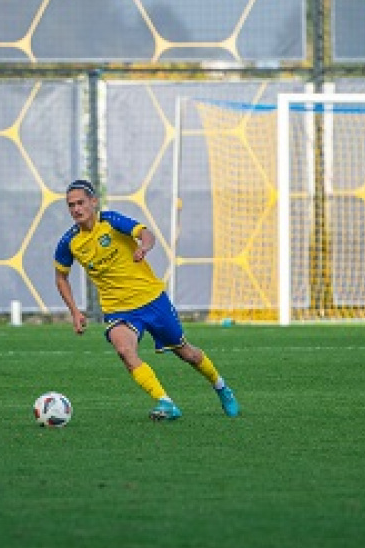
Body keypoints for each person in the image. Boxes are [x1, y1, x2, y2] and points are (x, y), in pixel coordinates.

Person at [54, 179, 239, 421]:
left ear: (93, 202)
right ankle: (166, 402)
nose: (76, 209)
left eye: (80, 203)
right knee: (124, 350)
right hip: (118, 310)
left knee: (187, 354)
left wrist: (144, 247)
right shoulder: (69, 242)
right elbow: (61, 277)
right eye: (71, 205)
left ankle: (221, 387)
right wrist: (75, 311)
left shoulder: (110, 221)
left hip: (152, 300)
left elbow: (146, 234)